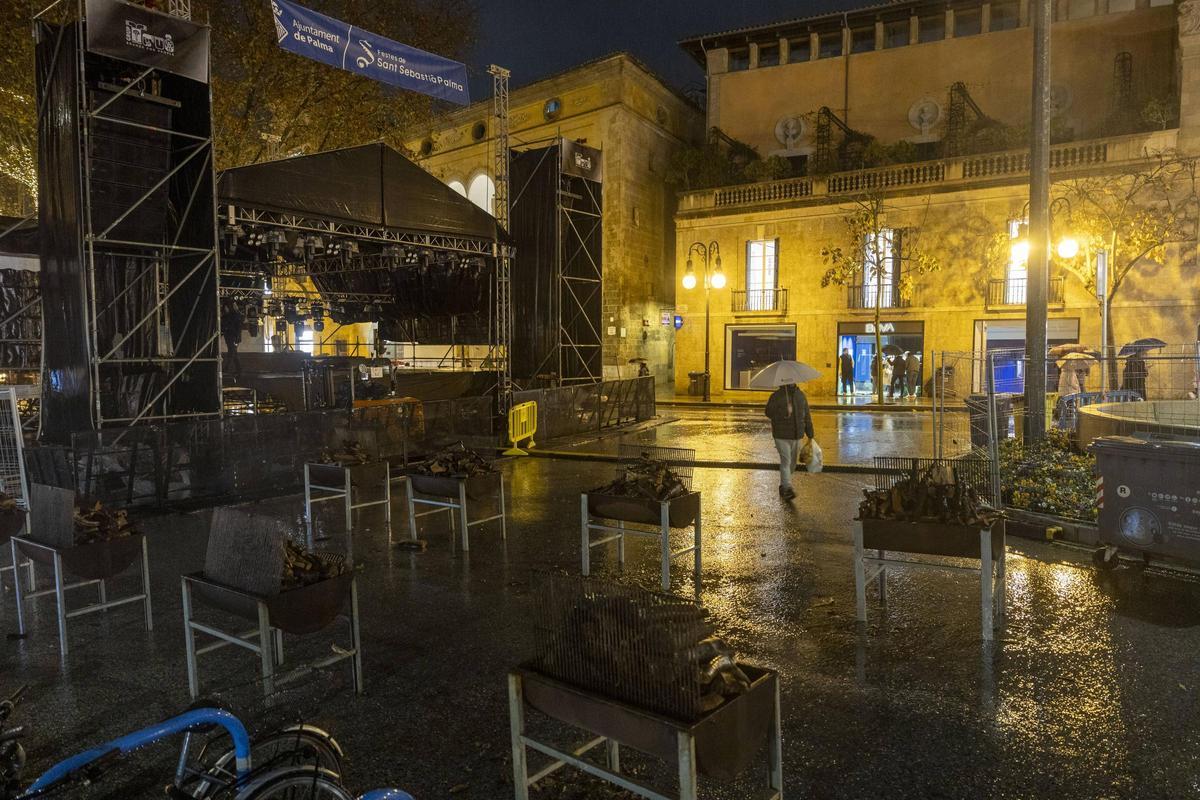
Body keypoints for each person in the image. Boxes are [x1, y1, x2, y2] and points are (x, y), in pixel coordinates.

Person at [765, 381, 814, 500]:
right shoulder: (776, 396)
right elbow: (768, 412)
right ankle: (787, 488)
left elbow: (807, 415)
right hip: (781, 435)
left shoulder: (800, 395)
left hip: (797, 435)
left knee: (792, 464)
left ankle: (783, 485)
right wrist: (784, 411)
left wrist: (810, 434)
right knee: (786, 461)